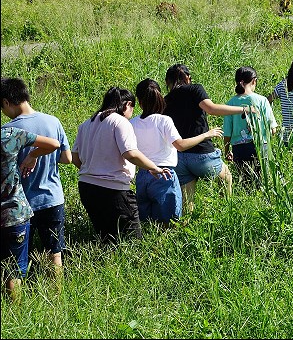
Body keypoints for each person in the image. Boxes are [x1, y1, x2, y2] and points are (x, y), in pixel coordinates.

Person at [71, 87, 171, 244]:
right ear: (127, 104)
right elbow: (130, 153)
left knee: (106, 238)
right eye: (133, 108)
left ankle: (105, 265)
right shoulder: (120, 122)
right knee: (132, 240)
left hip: (87, 188)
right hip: (113, 190)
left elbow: (75, 157)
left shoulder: (86, 124)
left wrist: (92, 169)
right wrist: (153, 167)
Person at [1, 77, 72, 278]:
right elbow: (66, 158)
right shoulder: (53, 121)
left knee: (20, 257)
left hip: (22, 204)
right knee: (55, 253)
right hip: (52, 197)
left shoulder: (8, 131)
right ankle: (57, 297)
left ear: (6, 102)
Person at [131, 79, 224, 224]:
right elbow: (180, 145)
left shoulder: (132, 123)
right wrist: (206, 134)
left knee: (146, 221)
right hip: (164, 175)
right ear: (159, 97)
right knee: (170, 223)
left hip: (143, 175)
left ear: (139, 100)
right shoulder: (164, 120)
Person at [163, 63, 253, 209]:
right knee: (226, 178)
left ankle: (186, 226)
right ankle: (226, 211)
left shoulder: (166, 100)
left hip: (178, 158)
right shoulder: (194, 89)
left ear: (168, 81)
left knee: (187, 202)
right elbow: (212, 109)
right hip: (201, 154)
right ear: (187, 77)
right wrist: (245, 109)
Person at [1, 126, 60, 301]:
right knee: (13, 270)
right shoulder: (10, 135)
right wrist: (33, 155)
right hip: (13, 214)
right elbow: (54, 144)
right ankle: (15, 314)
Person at [223, 66, 277, 183]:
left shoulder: (230, 103)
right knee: (262, 181)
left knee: (245, 182)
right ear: (254, 81)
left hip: (239, 148)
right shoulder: (262, 100)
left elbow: (227, 132)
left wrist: (226, 151)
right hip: (261, 146)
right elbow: (272, 129)